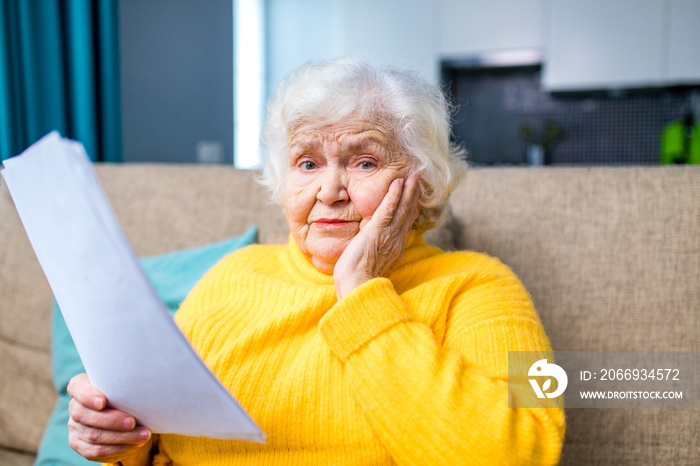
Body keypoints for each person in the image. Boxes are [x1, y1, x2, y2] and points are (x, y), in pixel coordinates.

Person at [66, 58, 565, 465]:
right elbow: (154, 440)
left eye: (364, 162)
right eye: (307, 163)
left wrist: (361, 292)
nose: (329, 191)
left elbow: (523, 451)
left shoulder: (482, 288)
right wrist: (117, 440)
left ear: (421, 182)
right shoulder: (230, 278)